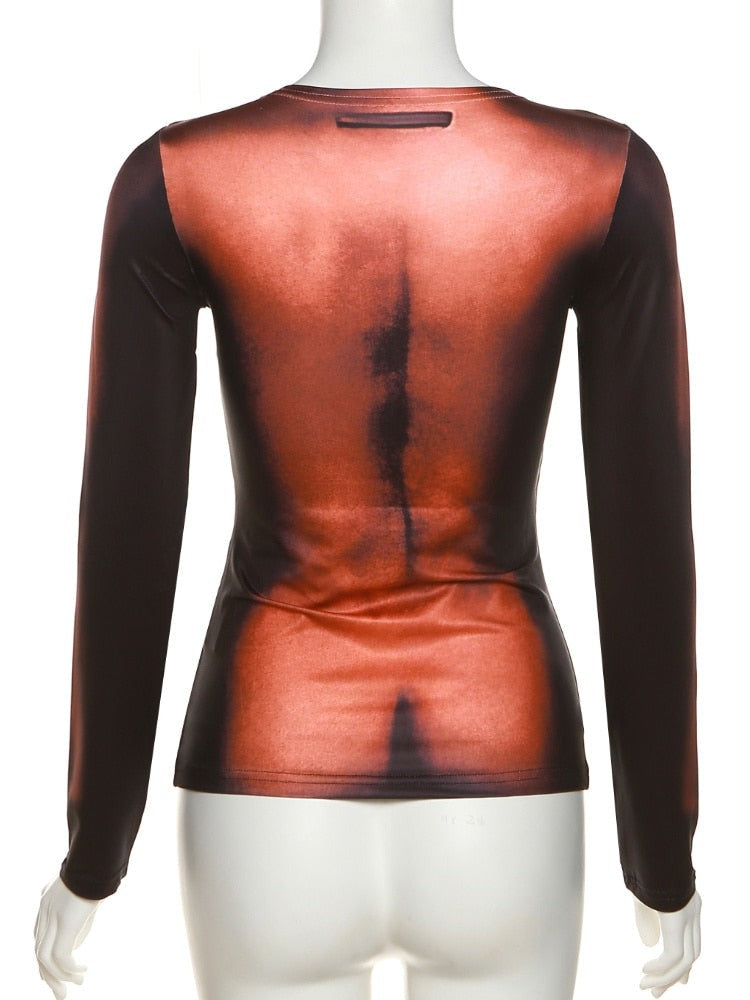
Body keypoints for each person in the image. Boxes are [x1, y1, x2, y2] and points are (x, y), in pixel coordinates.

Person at [34, 2, 701, 998]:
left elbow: (126, 534)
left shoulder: (184, 179)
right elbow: (647, 534)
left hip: (264, 798)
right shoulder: (595, 175)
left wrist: (94, 850)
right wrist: (661, 860)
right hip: (502, 798)